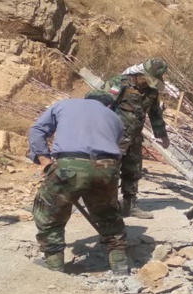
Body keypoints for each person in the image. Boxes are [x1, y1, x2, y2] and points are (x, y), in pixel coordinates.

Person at [28, 90, 130, 275]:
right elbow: (117, 145)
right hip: (107, 167)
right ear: (108, 105)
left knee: (50, 214)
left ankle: (54, 267)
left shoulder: (64, 104)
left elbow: (37, 131)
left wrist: (44, 161)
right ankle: (120, 265)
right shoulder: (115, 118)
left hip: (70, 164)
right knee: (108, 215)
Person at [102, 58, 171, 219]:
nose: (150, 83)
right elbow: (99, 102)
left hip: (134, 139)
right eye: (149, 79)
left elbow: (155, 114)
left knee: (133, 172)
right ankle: (104, 207)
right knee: (108, 172)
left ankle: (130, 206)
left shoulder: (152, 92)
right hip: (113, 138)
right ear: (141, 74)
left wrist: (162, 135)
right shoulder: (119, 82)